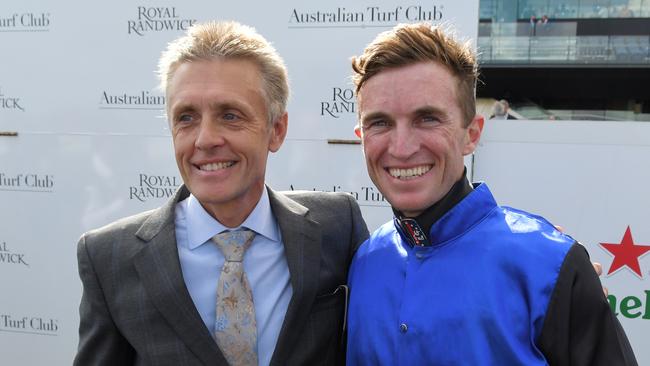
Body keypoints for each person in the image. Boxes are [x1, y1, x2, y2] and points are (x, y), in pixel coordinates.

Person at [74, 21, 368, 366]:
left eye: (230, 115)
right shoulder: (109, 257)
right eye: (186, 118)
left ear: (276, 130)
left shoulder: (336, 226)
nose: (205, 139)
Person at [346, 22, 637, 365]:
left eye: (427, 118)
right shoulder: (363, 261)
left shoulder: (552, 263)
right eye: (379, 122)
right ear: (360, 136)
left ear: (472, 134)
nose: (402, 147)